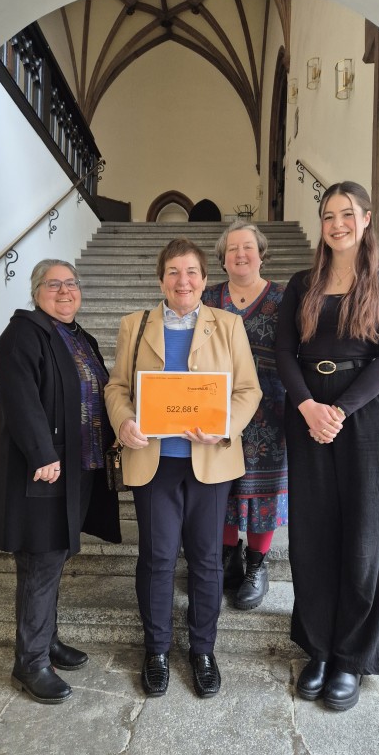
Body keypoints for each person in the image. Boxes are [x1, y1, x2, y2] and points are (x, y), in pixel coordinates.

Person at [275, 182, 379, 711]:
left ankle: (352, 656)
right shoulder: (302, 283)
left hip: (364, 417)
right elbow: (285, 352)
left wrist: (339, 411)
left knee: (362, 536)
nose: (337, 224)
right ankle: (319, 648)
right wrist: (309, 406)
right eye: (329, 215)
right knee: (312, 535)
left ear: (367, 218)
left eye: (347, 214)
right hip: (308, 412)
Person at [105, 238, 261, 699]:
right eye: (173, 272)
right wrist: (124, 420)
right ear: (160, 279)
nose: (183, 281)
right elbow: (116, 387)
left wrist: (225, 425)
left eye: (191, 271)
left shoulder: (228, 326)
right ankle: (155, 649)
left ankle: (202, 650)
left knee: (208, 560)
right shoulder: (135, 325)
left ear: (204, 279)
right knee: (156, 558)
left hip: (210, 464)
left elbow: (248, 390)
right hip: (155, 464)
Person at [0, 259, 121, 705]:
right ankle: (29, 663)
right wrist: (43, 453)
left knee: (55, 557)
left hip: (77, 470)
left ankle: (47, 641)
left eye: (71, 284)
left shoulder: (79, 337)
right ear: (36, 290)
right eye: (53, 284)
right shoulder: (22, 335)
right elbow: (21, 398)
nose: (65, 291)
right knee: (40, 563)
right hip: (44, 472)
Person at [202, 219, 287, 610]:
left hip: (271, 409)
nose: (240, 254)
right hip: (218, 407)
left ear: (261, 253)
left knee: (261, 490)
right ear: (222, 259)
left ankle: (256, 565)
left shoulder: (284, 299)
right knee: (222, 486)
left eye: (247, 247)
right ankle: (224, 558)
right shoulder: (208, 298)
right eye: (232, 248)